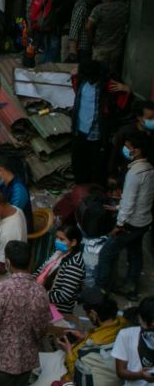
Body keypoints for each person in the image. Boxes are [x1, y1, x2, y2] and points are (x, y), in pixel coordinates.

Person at [0, 241, 52, 385]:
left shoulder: (2, 289)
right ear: (31, 261)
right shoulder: (40, 292)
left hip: (0, 361)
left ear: (7, 262)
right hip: (27, 362)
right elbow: (43, 329)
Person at [97, 133, 154, 296]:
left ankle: (102, 289)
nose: (125, 149)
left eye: (128, 147)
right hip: (144, 221)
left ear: (137, 151)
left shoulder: (135, 174)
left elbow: (129, 201)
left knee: (106, 253)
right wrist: (118, 208)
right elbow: (140, 198)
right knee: (135, 253)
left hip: (130, 223)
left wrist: (119, 224)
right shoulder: (149, 169)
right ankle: (131, 286)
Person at [36, 224, 85, 315]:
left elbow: (64, 295)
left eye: (62, 239)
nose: (57, 241)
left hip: (56, 311)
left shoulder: (74, 264)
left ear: (73, 242)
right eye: (57, 238)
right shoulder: (58, 253)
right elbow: (40, 271)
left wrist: (37, 295)